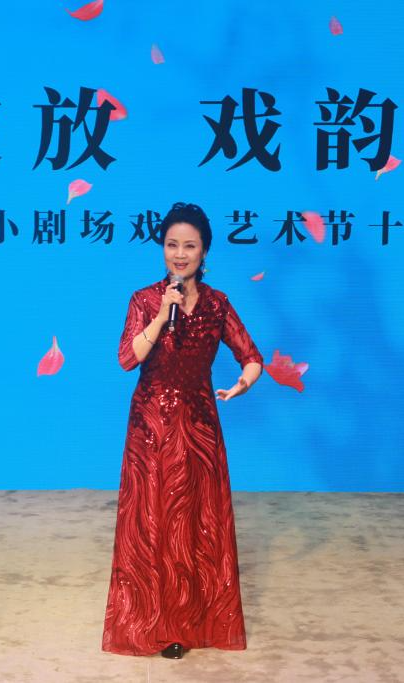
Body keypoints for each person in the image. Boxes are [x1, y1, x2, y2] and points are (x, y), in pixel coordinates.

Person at [101, 202, 263, 660]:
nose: (179, 254)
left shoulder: (217, 304)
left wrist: (243, 383)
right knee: (155, 524)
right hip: (151, 428)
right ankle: (159, 623)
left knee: (196, 525)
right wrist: (161, 315)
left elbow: (252, 356)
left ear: (204, 250)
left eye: (189, 246)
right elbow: (127, 358)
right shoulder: (145, 300)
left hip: (199, 426)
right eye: (172, 245)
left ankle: (196, 620)